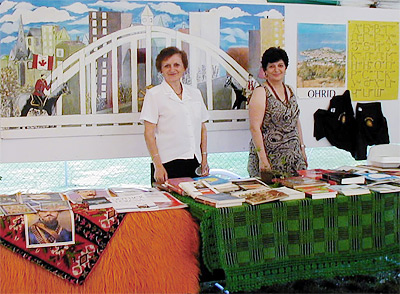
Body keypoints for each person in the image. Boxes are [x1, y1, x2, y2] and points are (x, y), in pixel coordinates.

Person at [140, 46, 210, 184]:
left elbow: (202, 128)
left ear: (184, 68)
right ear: (161, 70)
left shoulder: (195, 94)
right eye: (167, 66)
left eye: (177, 65)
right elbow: (149, 134)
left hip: (194, 161)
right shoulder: (154, 95)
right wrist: (158, 166)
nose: (172, 69)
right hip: (167, 164)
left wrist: (204, 159)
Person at [247, 47, 307, 177]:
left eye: (280, 65)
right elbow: (254, 128)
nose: (277, 70)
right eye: (272, 66)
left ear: (285, 68)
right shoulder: (260, 92)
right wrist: (263, 160)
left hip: (294, 160)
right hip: (269, 159)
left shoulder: (290, 91)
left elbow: (295, 121)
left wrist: (302, 148)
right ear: (265, 71)